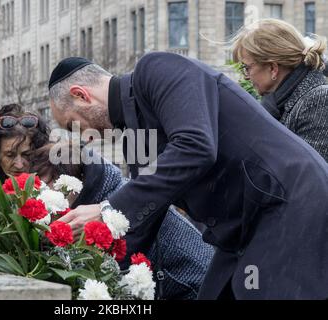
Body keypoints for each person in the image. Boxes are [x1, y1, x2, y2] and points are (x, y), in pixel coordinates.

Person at [48, 54, 328, 299]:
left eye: (73, 124)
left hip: (288, 202)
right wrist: (86, 269)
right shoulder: (134, 141)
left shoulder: (157, 68)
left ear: (81, 95)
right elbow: (143, 222)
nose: (83, 136)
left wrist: (107, 209)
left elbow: (195, 146)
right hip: (244, 229)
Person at [28, 142, 214, 300]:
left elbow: (111, 276)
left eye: (50, 190)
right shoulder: (105, 194)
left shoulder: (118, 205)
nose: (46, 203)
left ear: (74, 182)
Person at [232, 19, 328, 162]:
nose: (246, 77)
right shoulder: (280, 103)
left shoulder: (318, 100)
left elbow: (308, 177)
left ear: (273, 68)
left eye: (247, 68)